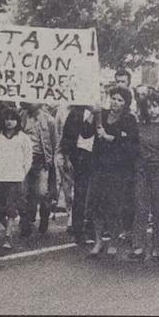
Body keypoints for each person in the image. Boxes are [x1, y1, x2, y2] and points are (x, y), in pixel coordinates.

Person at [87, 87, 139, 257]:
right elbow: (85, 133)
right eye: (113, 98)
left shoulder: (129, 119)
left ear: (125, 103)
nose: (115, 102)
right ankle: (98, 240)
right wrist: (91, 115)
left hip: (117, 169)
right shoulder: (101, 115)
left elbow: (131, 145)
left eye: (120, 100)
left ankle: (114, 240)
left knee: (113, 205)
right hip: (98, 166)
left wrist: (110, 137)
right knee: (96, 205)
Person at [128, 94, 159, 261]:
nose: (151, 110)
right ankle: (138, 247)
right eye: (148, 107)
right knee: (140, 208)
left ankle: (156, 247)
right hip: (142, 171)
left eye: (155, 106)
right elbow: (132, 149)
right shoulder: (139, 127)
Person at [0, 108, 33, 250]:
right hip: (0, 177)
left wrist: (22, 173)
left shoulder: (23, 138)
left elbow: (28, 158)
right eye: (7, 119)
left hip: (16, 178)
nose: (9, 122)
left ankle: (8, 236)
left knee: (11, 207)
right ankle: (11, 225)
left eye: (12, 119)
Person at [21, 103, 59, 236]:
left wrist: (52, 163)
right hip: (23, 159)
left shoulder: (49, 120)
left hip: (41, 160)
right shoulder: (21, 116)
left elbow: (54, 144)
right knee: (24, 193)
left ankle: (44, 217)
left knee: (42, 193)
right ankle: (26, 223)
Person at [61, 104, 97, 243]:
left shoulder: (104, 113)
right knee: (80, 194)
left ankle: (92, 228)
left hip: (97, 156)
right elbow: (67, 137)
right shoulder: (76, 112)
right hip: (81, 156)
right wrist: (67, 158)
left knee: (94, 194)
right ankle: (78, 230)